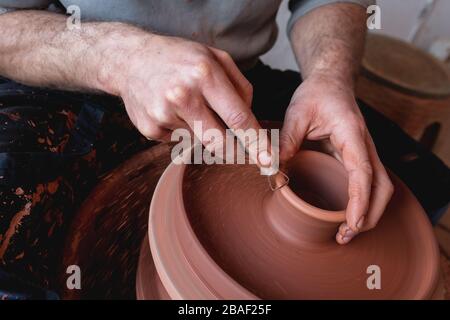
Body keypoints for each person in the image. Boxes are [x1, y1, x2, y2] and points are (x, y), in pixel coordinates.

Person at [0, 0, 448, 299]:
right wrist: (118, 58)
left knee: (420, 186)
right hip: (76, 65)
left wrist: (329, 75)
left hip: (237, 79)